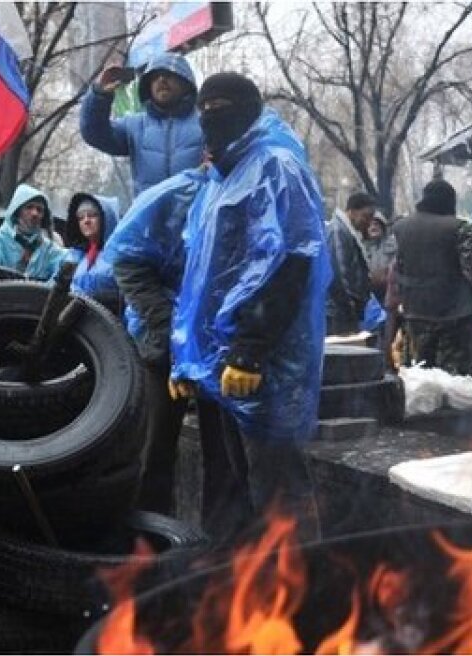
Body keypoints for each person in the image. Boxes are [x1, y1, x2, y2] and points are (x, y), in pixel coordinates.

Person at [169, 72, 330, 543]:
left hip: (265, 361)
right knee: (238, 490)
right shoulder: (218, 181)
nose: (209, 117)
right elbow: (201, 279)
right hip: (220, 364)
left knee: (279, 495)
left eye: (221, 107)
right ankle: (254, 583)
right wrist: (187, 358)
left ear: (250, 110)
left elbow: (292, 262)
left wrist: (251, 347)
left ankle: (304, 584)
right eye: (204, 108)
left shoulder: (277, 167)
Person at [105, 164, 216, 525]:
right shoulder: (174, 196)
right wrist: (171, 329)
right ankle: (148, 537)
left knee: (222, 455)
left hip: (215, 347)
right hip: (163, 348)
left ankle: (218, 540)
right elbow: (126, 258)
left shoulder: (242, 193)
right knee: (155, 448)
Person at [389, 179, 472, 376]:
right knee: (451, 379)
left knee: (418, 375)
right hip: (454, 314)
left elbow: (397, 268)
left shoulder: (400, 228)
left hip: (414, 312)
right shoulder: (460, 227)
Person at [80, 53, 203, 196]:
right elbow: (94, 133)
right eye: (155, 77)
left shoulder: (206, 124)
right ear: (147, 86)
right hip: (150, 211)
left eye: (169, 75)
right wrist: (99, 95)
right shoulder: (134, 126)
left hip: (196, 210)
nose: (161, 79)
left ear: (186, 83)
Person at [0, 184, 67, 280]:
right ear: (17, 211)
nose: (35, 213)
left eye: (39, 210)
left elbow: (65, 266)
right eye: (29, 207)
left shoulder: (49, 250)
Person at [325, 192, 376, 335]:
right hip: (339, 311)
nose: (369, 222)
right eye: (366, 216)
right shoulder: (338, 231)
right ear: (352, 212)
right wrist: (350, 306)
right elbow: (338, 273)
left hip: (344, 310)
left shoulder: (347, 231)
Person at [62, 192, 121, 312]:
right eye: (80, 217)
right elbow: (56, 289)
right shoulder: (74, 257)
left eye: (92, 215)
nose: (86, 221)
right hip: (76, 320)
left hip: (110, 321)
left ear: (106, 218)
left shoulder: (120, 255)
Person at [363, 211, 397, 303]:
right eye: (369, 225)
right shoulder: (360, 246)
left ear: (382, 226)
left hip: (390, 291)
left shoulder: (393, 244)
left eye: (376, 224)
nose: (373, 227)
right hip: (369, 294)